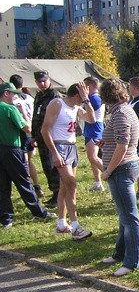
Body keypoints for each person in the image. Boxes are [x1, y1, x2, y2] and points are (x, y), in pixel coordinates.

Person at [97, 78, 139, 276]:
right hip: (124, 167)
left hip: (121, 169)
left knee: (130, 216)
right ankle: (120, 253)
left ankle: (133, 262)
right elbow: (119, 140)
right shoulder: (121, 110)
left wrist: (108, 170)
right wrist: (105, 142)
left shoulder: (120, 113)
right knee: (123, 215)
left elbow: (123, 145)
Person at [40, 82, 96, 240]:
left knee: (65, 187)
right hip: (60, 147)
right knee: (72, 184)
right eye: (83, 95)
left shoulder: (77, 107)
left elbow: (91, 119)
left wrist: (86, 101)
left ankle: (61, 223)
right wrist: (55, 153)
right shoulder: (58, 104)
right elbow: (45, 129)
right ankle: (76, 226)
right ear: (77, 94)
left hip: (72, 147)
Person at [0, 82, 53, 228]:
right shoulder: (10, 109)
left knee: (3, 186)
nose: (15, 96)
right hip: (12, 149)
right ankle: (38, 212)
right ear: (6, 93)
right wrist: (22, 110)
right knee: (24, 182)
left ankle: (6, 218)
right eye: (13, 93)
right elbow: (26, 127)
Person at [31, 70, 62, 208]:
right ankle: (54, 191)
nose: (42, 84)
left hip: (52, 135)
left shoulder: (54, 95)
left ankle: (58, 193)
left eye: (44, 81)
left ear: (49, 80)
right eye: (39, 82)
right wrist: (33, 135)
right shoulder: (38, 96)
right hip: (41, 136)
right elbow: (35, 117)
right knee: (46, 166)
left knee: (53, 165)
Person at [9, 74, 42, 199]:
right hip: (31, 131)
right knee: (28, 161)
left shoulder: (14, 100)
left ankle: (27, 189)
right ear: (22, 85)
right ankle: (36, 186)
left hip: (21, 132)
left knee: (21, 163)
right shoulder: (29, 97)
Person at [83, 77, 105, 192]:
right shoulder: (92, 97)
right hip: (90, 129)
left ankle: (109, 176)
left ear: (89, 86)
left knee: (93, 156)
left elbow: (91, 114)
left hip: (94, 129)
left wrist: (85, 98)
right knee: (91, 158)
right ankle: (98, 182)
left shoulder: (94, 98)